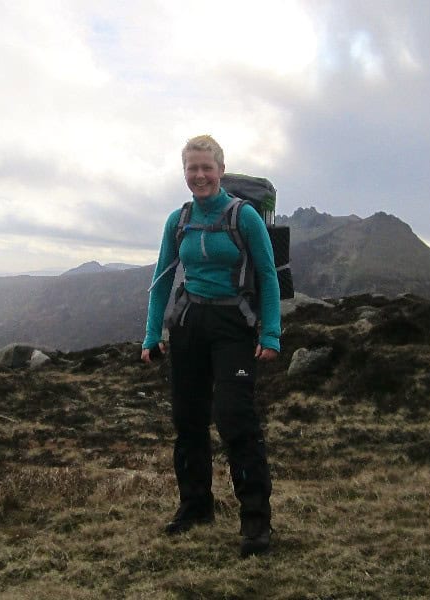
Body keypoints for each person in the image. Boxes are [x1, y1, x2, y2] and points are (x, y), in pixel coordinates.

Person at [141, 134, 280, 558]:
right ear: (184, 172)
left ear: (220, 169)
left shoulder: (244, 217)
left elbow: (268, 275)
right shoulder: (178, 220)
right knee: (188, 420)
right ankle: (196, 507)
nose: (199, 175)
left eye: (206, 167)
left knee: (236, 418)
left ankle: (255, 521)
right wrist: (151, 334)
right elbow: (162, 279)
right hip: (189, 324)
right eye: (192, 168)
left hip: (232, 324)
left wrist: (271, 334)